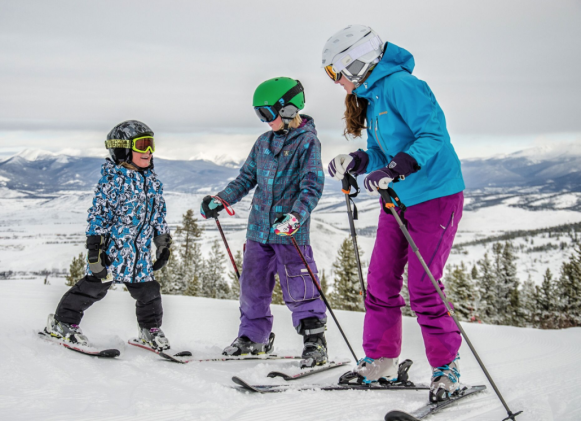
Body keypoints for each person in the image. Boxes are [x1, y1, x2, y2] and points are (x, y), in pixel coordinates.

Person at [323, 25, 466, 401]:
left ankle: (446, 367)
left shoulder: (402, 86)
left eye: (334, 71)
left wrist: (398, 167)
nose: (336, 81)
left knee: (423, 287)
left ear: (356, 63)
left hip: (435, 196)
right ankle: (381, 358)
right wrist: (356, 160)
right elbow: (380, 152)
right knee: (382, 280)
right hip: (398, 199)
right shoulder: (372, 96)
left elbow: (434, 135)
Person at [200, 77, 327, 368]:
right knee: (252, 286)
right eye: (259, 115)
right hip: (259, 231)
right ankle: (253, 337)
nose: (263, 121)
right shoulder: (264, 143)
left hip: (289, 232)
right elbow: (246, 179)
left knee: (300, 285)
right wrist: (222, 199)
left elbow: (312, 186)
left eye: (266, 114)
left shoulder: (307, 142)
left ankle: (314, 341)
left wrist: (295, 216)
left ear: (287, 110)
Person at [43, 120, 173, 351]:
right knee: (93, 288)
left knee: (149, 291)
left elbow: (158, 214)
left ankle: (149, 330)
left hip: (139, 254)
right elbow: (99, 216)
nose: (149, 151)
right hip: (112, 251)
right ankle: (62, 323)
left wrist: (162, 243)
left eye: (151, 145)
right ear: (122, 148)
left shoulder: (152, 182)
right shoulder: (113, 181)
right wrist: (95, 250)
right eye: (142, 145)